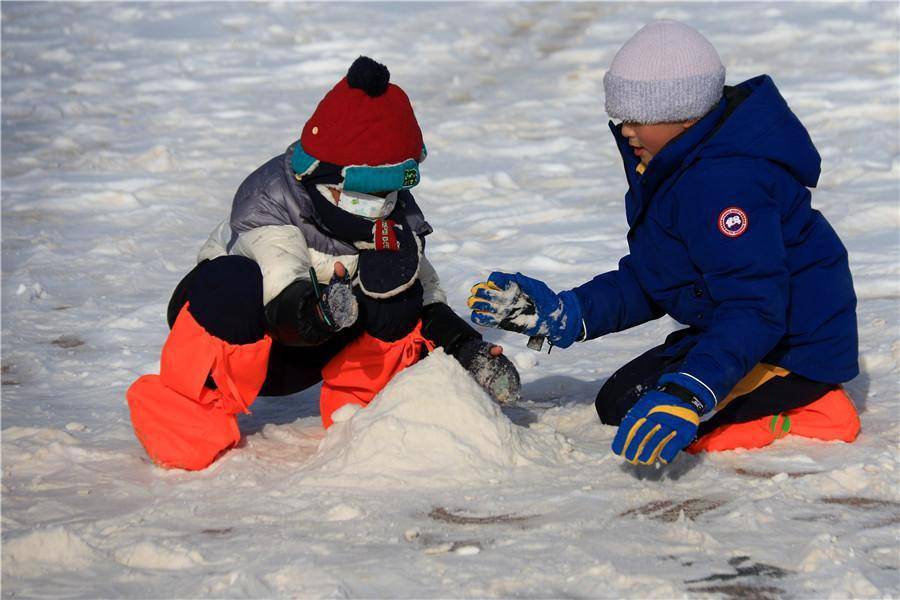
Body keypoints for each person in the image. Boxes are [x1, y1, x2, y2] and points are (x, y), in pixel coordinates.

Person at [468, 21, 860, 466]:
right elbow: (659, 274)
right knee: (618, 402)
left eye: (637, 119)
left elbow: (754, 305)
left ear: (685, 116)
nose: (626, 130)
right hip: (746, 328)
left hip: (798, 345)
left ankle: (818, 410)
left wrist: (688, 392)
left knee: (663, 425)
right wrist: (568, 313)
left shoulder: (723, 184)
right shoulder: (676, 167)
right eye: (621, 117)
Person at [127, 57, 520, 471]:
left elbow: (427, 297)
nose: (374, 212)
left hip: (314, 350)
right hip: (242, 335)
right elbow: (281, 290)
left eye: (385, 198)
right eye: (360, 198)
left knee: (396, 285)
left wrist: (466, 348)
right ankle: (185, 424)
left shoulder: (396, 221)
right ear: (320, 179)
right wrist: (320, 310)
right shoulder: (271, 205)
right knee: (232, 281)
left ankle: (364, 415)